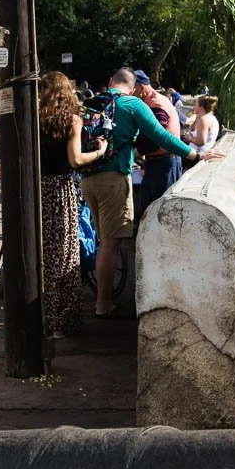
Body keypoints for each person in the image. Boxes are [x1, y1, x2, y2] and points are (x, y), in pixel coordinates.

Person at [81, 68, 223, 317]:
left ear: (109, 82)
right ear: (133, 86)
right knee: (110, 245)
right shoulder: (132, 104)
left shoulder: (91, 104)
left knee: (103, 239)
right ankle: (103, 304)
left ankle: (101, 297)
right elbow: (161, 136)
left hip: (88, 178)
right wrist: (196, 155)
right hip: (113, 180)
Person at [38, 71, 108, 334]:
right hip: (60, 188)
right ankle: (62, 319)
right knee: (65, 253)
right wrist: (99, 152)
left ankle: (42, 315)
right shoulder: (72, 120)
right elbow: (75, 160)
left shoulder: (34, 119)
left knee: (42, 254)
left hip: (39, 189)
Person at [131, 70, 185, 212]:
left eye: (132, 89)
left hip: (163, 164)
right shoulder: (153, 101)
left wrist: (136, 152)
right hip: (158, 162)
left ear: (141, 87)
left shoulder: (155, 104)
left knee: (161, 211)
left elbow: (155, 139)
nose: (130, 93)